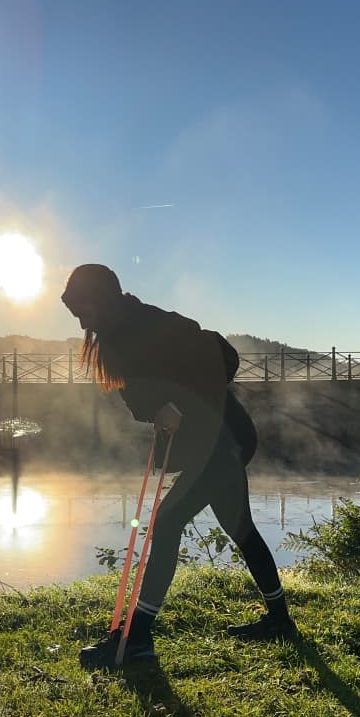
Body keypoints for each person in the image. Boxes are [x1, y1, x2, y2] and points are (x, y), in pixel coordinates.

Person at [61, 264, 295, 667]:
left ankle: (137, 639)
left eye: (83, 311)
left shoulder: (152, 323)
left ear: (103, 298)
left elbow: (223, 354)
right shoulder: (115, 335)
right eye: (74, 314)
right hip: (213, 441)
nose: (81, 322)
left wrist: (182, 403)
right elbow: (142, 396)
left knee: (166, 523)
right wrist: (160, 407)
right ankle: (280, 622)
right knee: (240, 528)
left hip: (223, 440)